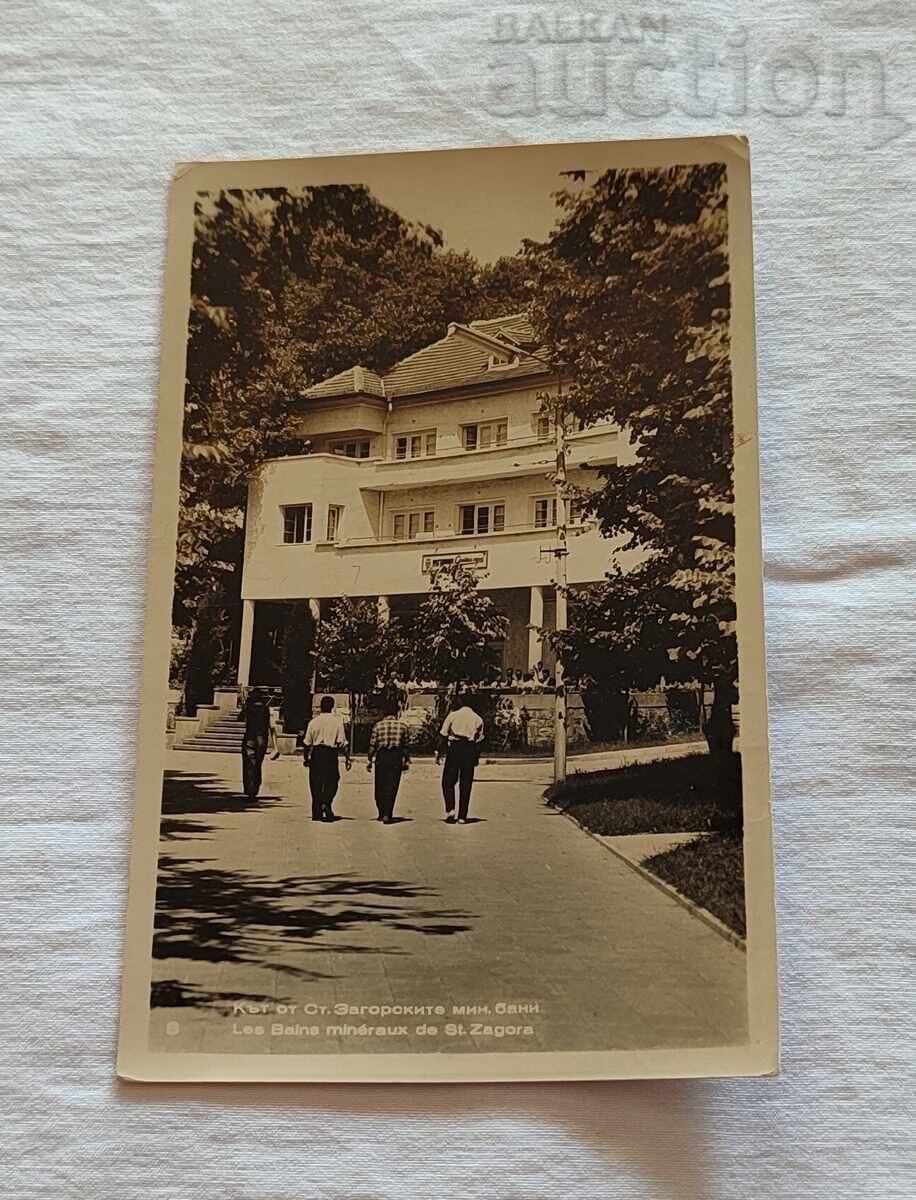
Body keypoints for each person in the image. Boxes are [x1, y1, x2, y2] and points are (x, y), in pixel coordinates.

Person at [437, 694, 484, 824]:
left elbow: (443, 735)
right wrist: (476, 757)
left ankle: (450, 808)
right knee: (466, 783)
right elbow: (479, 740)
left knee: (447, 781)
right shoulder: (477, 718)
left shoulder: (453, 715)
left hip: (455, 749)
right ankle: (463, 815)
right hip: (469, 749)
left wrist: (439, 752)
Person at [302, 696, 350, 821]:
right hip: (330, 754)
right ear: (332, 707)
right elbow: (342, 742)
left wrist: (306, 758)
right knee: (332, 780)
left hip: (317, 754)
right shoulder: (337, 722)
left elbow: (307, 743)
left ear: (320, 707)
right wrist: (347, 758)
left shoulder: (313, 722)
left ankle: (317, 811)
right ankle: (326, 801)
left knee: (315, 781)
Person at [366, 698, 411, 824]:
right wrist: (406, 760)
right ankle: (388, 813)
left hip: (382, 757)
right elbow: (405, 746)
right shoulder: (403, 726)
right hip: (396, 757)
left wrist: (369, 759)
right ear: (397, 712)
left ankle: (381, 811)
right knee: (392, 785)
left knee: (380, 785)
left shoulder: (378, 725)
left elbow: (372, 745)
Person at [240, 687, 271, 800]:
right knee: (258, 764)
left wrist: (245, 706)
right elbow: (269, 725)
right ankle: (256, 787)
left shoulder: (249, 708)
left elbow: (240, 718)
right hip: (262, 738)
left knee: (249, 764)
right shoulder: (265, 709)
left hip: (250, 737)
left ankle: (249, 788)